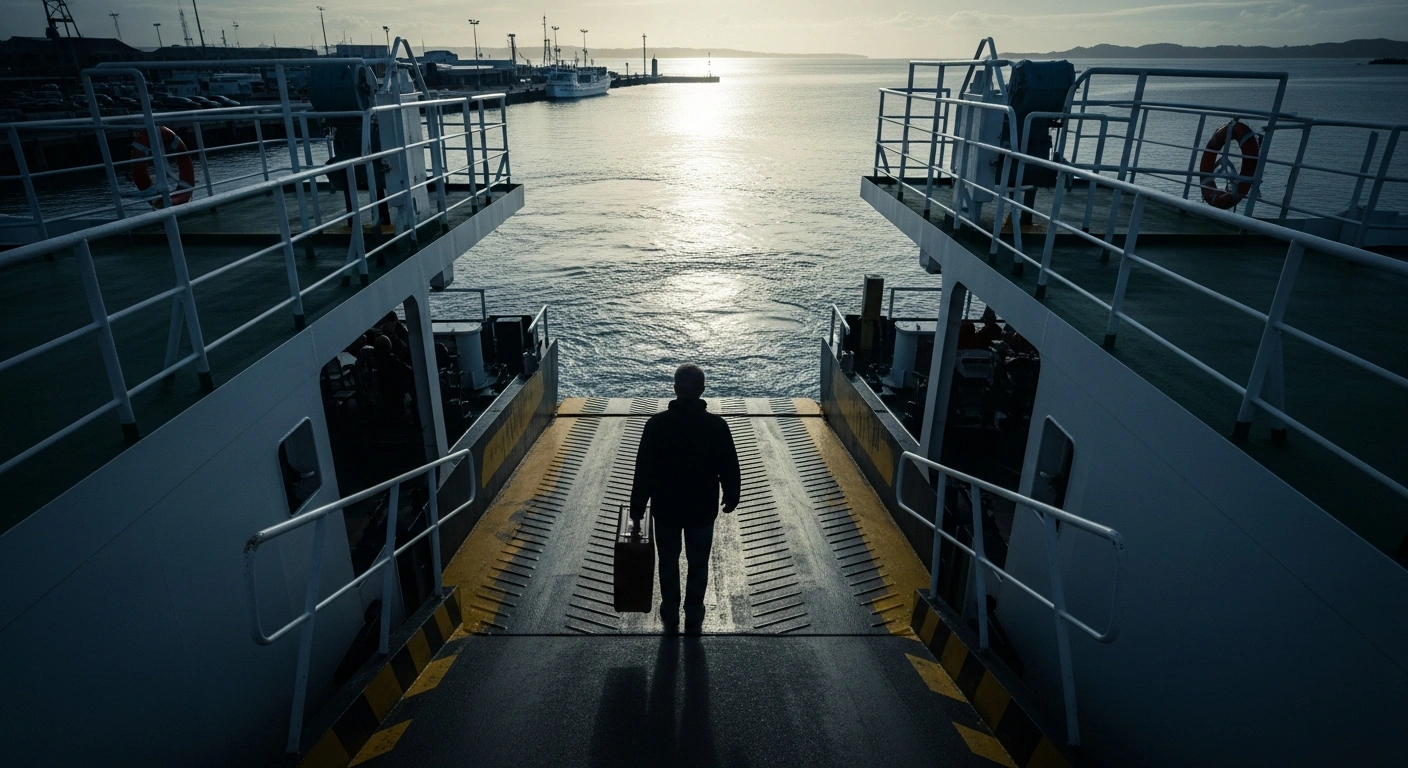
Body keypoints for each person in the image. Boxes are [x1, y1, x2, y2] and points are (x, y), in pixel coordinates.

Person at [630, 364, 740, 635]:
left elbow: (644, 469)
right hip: (702, 508)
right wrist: (732, 493)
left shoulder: (656, 425)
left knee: (668, 560)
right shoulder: (716, 426)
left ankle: (670, 611)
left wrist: (637, 507)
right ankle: (693, 612)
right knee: (698, 561)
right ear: (702, 389)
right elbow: (729, 465)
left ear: (675, 388)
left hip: (666, 507)